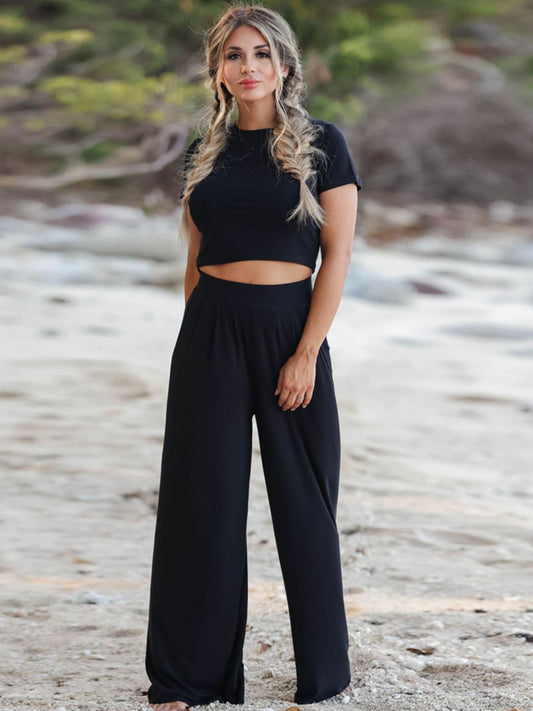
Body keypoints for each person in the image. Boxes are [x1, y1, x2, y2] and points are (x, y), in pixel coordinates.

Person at [144, 4, 362, 710]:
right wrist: (194, 336)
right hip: (210, 328)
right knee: (198, 499)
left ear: (285, 66)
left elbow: (336, 257)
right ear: (217, 67)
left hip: (287, 325)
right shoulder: (202, 150)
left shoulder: (321, 143)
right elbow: (195, 254)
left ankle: (322, 677)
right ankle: (184, 680)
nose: (247, 67)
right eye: (233, 55)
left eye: (260, 54)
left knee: (303, 500)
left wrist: (306, 351)